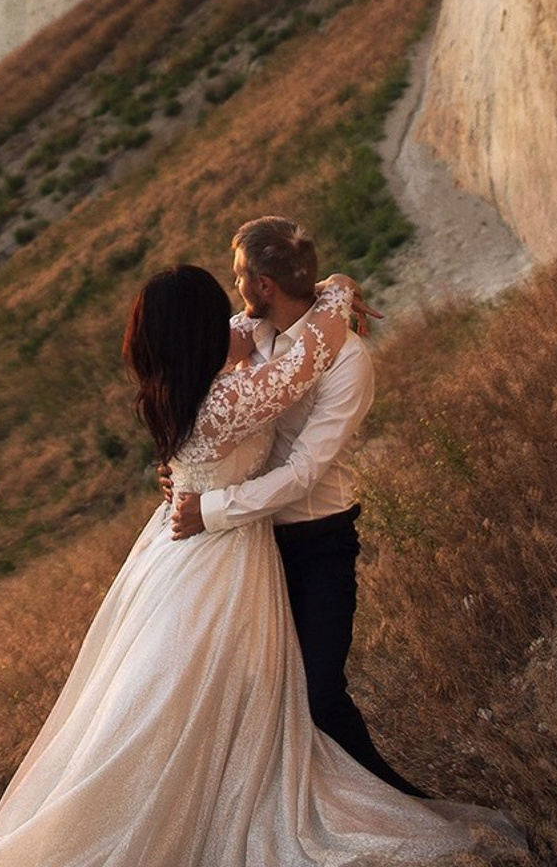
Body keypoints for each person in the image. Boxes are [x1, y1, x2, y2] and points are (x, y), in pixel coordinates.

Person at [0, 262, 525, 867]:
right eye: (219, 307)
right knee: (193, 703)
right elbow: (304, 362)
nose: (236, 310)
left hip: (185, 555)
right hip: (216, 564)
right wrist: (336, 288)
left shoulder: (182, 386)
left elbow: (258, 337)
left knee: (190, 705)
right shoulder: (225, 398)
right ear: (199, 331)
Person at [170, 216, 419, 793]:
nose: (235, 289)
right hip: (247, 547)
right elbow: (186, 388)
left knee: (320, 693)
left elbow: (305, 472)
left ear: (263, 284)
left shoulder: (348, 359)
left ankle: (401, 806)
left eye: (239, 276)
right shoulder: (246, 333)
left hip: (317, 543)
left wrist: (210, 507)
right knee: (255, 696)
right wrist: (179, 469)